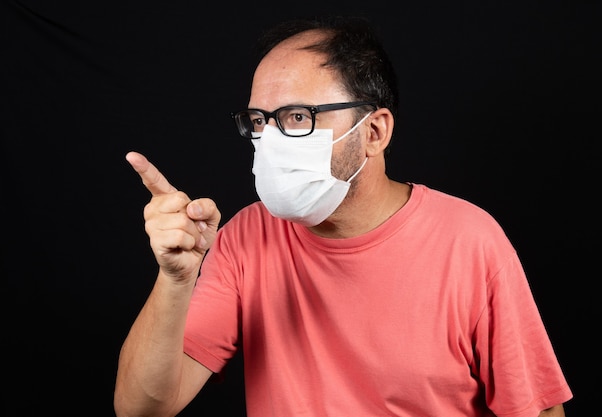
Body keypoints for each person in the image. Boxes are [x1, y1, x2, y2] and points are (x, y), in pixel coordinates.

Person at [114, 15, 573, 417]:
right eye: (258, 121)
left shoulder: (470, 241)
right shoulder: (246, 238)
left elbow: (536, 408)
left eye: (297, 116)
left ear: (374, 131)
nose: (270, 140)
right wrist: (175, 280)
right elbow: (142, 407)